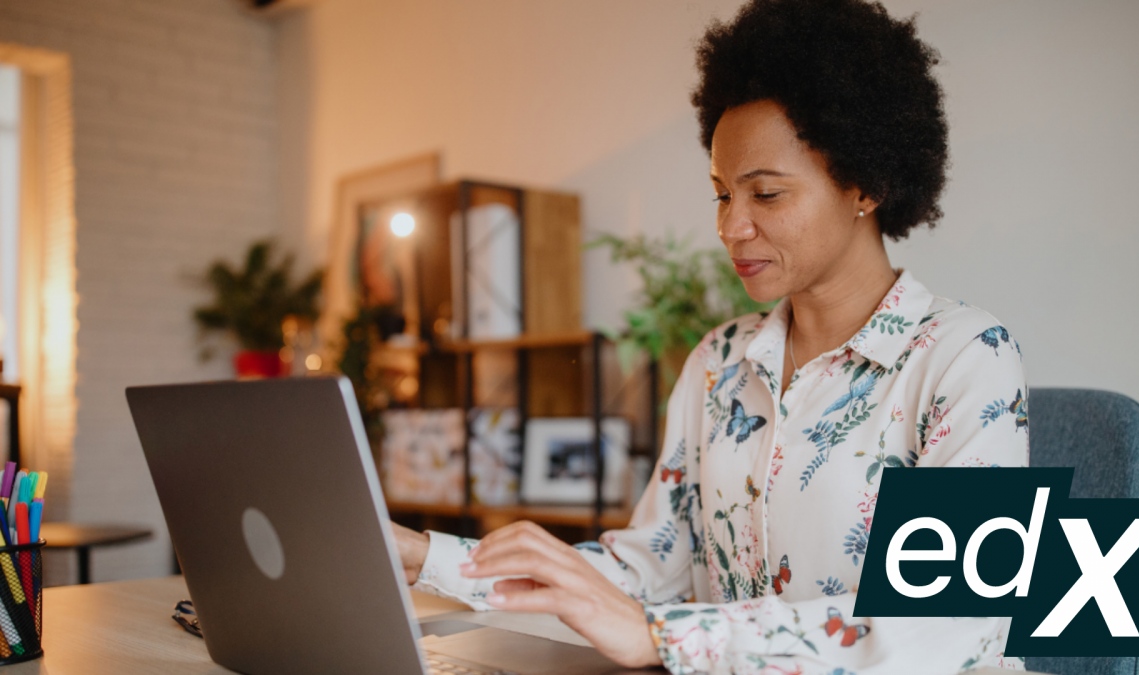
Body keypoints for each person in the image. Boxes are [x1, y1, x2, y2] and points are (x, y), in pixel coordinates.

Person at [391, 0, 1029, 672]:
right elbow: (642, 572)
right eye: (724, 193)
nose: (731, 227)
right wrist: (425, 556)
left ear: (864, 185)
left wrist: (664, 636)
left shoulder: (964, 356)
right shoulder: (720, 363)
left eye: (767, 195)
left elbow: (953, 619)